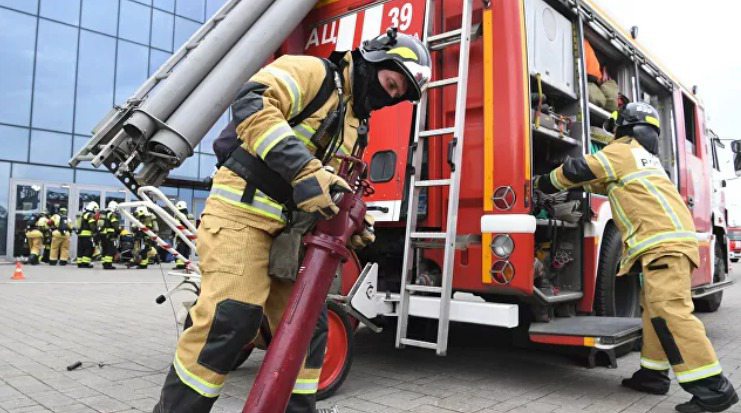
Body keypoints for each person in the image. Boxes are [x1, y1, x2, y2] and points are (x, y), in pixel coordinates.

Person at [152, 30, 430, 413]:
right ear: (373, 60)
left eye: (397, 95)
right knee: (230, 317)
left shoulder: (354, 124)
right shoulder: (313, 73)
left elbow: (329, 185)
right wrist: (303, 170)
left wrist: (352, 220)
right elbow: (252, 102)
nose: (388, 97)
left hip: (290, 235)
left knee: (308, 329)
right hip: (240, 213)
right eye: (390, 84)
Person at [534, 102, 738, 413]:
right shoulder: (645, 159)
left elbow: (578, 170)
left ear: (624, 128)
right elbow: (601, 180)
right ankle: (653, 375)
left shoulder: (622, 151)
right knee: (655, 312)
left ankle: (714, 389)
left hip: (663, 246)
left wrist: (541, 183)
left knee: (671, 313)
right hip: (670, 245)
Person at [98, 201, 121, 270]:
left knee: (104, 250)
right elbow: (115, 225)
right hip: (110, 235)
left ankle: (104, 264)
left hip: (102, 234)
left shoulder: (104, 214)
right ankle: (108, 264)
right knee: (110, 250)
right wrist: (118, 231)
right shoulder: (112, 215)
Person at [173, 200, 194, 270]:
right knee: (186, 251)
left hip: (181, 236)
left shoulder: (179, 215)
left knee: (179, 250)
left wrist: (173, 234)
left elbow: (176, 225)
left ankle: (180, 265)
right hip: (188, 236)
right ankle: (185, 264)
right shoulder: (189, 215)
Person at [77, 202, 98, 268]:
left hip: (80, 235)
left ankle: (79, 263)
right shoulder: (90, 215)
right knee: (89, 249)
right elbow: (92, 225)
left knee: (81, 249)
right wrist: (96, 232)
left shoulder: (83, 214)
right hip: (87, 235)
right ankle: (85, 263)